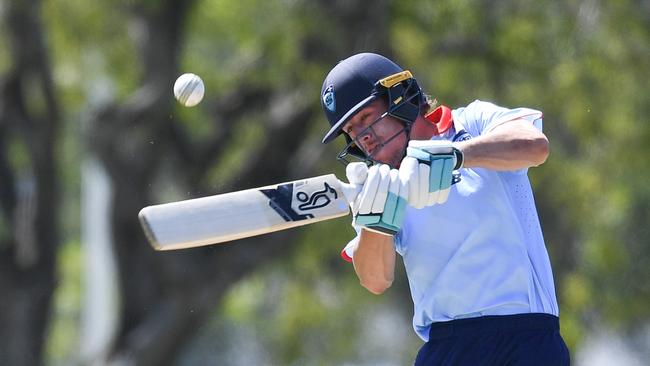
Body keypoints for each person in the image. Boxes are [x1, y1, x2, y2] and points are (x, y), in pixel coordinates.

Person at [319, 52, 570, 365]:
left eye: (366, 117)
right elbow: (375, 279)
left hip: (525, 339)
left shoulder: (474, 122)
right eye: (352, 130)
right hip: (446, 347)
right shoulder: (380, 184)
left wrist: (455, 155)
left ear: (399, 98)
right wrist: (376, 221)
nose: (363, 136)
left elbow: (535, 145)